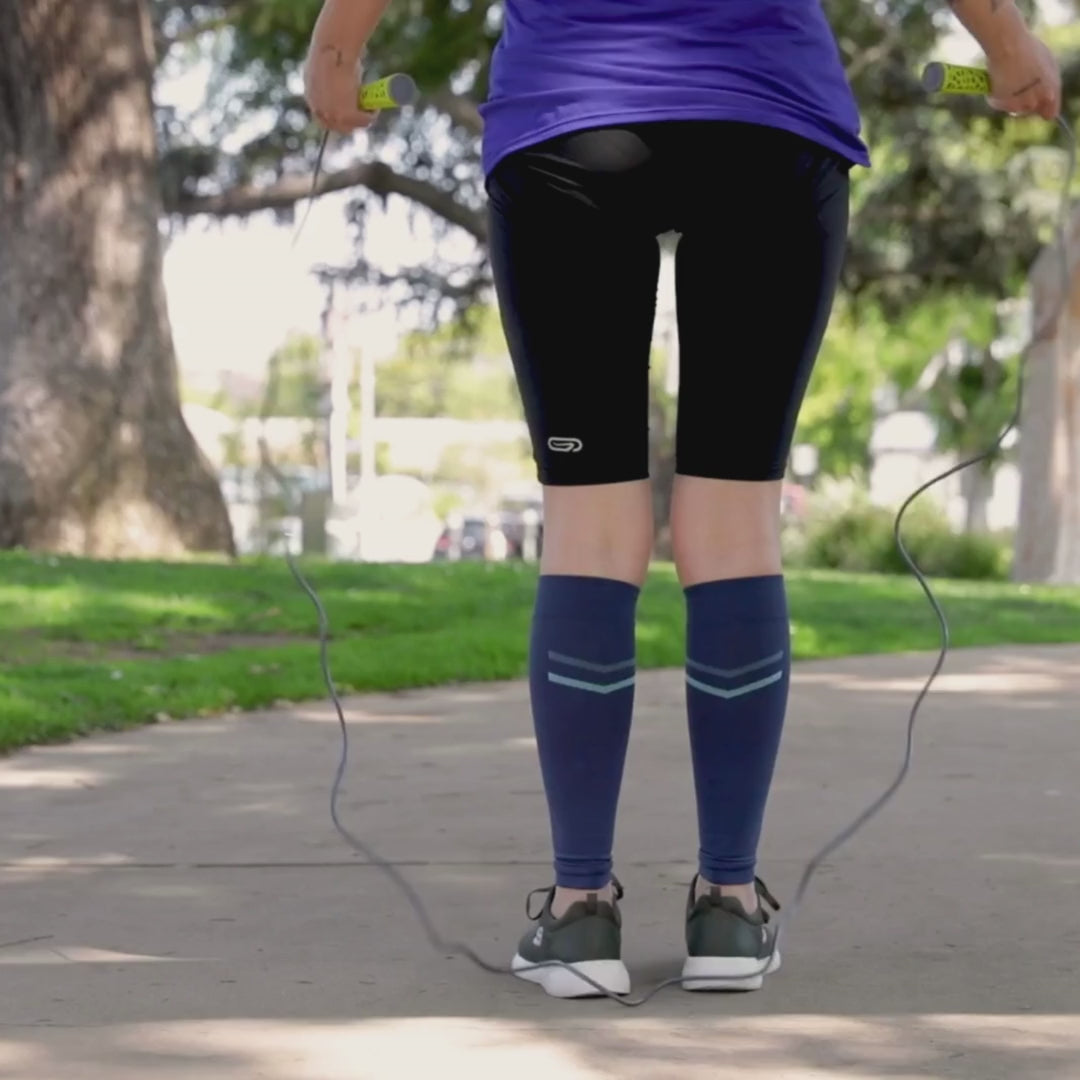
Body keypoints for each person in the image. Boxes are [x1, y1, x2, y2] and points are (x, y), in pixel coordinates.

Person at [305, 0, 1061, 999]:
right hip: (765, 126)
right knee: (735, 522)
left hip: (572, 123)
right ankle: (730, 912)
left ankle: (580, 917)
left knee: (589, 523)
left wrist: (336, 53)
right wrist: (1010, 51)